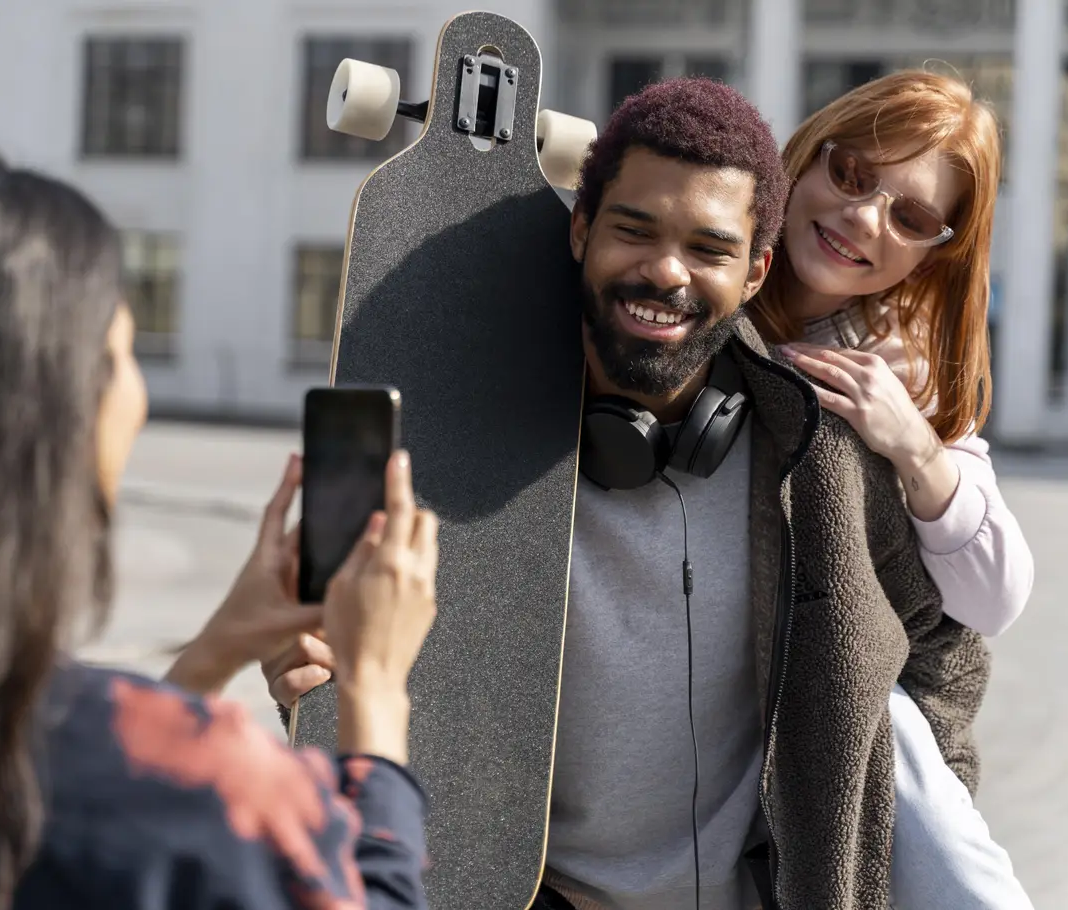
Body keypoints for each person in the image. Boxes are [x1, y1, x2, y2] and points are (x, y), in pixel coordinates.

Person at [258, 78, 1000, 910]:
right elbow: (342, 667)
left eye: (710, 248)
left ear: (756, 270)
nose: (666, 271)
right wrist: (302, 677)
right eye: (635, 230)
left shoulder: (820, 457)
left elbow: (947, 648)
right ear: (581, 228)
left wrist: (892, 831)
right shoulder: (453, 450)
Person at [0, 148, 437, 910]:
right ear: (63, 408)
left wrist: (215, 650)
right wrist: (374, 691)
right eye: (122, 353)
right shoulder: (220, 794)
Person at [755, 69, 1035, 640]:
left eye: (910, 218)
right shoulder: (695, 268)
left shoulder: (902, 375)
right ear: (809, 155)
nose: (863, 217)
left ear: (928, 261)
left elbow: (995, 603)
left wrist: (915, 446)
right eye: (850, 173)